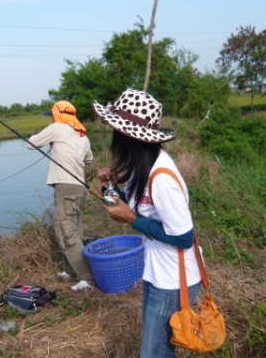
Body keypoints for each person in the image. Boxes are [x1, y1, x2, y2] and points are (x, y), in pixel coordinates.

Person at [93, 89, 201, 358]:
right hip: (157, 272)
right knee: (159, 350)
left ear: (129, 138)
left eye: (116, 132)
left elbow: (184, 236)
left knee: (153, 353)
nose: (113, 139)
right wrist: (108, 185)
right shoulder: (144, 168)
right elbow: (119, 206)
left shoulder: (161, 177)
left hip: (174, 279)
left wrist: (132, 220)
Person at [28, 101, 94, 289]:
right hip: (80, 188)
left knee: (65, 231)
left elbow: (31, 144)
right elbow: (89, 160)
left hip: (65, 188)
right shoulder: (83, 136)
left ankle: (86, 278)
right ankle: (70, 270)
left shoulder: (57, 127)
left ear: (56, 113)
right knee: (75, 229)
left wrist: (49, 139)